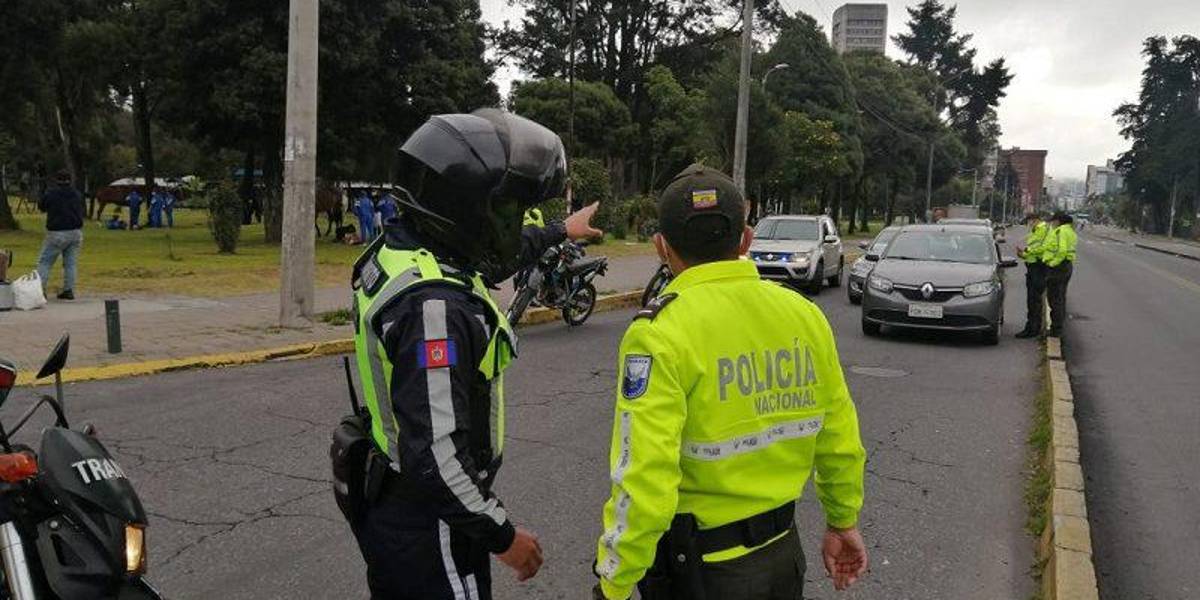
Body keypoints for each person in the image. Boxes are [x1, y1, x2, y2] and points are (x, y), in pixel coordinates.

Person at [347, 109, 601, 600]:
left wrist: (558, 231)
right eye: (502, 212)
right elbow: (435, 457)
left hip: (394, 508)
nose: (509, 225)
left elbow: (488, 256)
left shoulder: (404, 251)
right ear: (461, 212)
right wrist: (502, 537)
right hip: (431, 522)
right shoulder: (433, 309)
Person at [592, 164, 868, 600]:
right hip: (783, 557)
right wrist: (842, 520)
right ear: (745, 239)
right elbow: (839, 437)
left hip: (703, 573)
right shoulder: (804, 315)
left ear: (661, 247)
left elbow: (645, 474)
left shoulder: (658, 331)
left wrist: (615, 581)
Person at [36, 171, 86, 300]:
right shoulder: (76, 193)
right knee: (70, 263)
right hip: (76, 232)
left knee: (45, 262)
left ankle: (40, 290)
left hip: (57, 232)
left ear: (56, 179)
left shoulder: (52, 193)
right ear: (70, 179)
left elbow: (41, 206)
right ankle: (68, 290)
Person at [1015, 212, 1049, 338]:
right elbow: (1033, 250)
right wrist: (1023, 255)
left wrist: (1027, 250)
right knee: (1031, 299)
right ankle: (1031, 327)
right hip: (1032, 267)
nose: (1029, 224)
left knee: (1034, 300)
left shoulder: (1043, 230)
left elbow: (1043, 248)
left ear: (1035, 220)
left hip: (1039, 268)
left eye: (1029, 221)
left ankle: (1033, 329)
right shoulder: (1036, 230)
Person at [1042, 211, 1077, 338]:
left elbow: (1061, 250)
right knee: (1061, 297)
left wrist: (1052, 263)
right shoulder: (1071, 232)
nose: (1052, 223)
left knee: (1054, 299)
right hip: (1067, 266)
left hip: (1058, 268)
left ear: (1058, 221)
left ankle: (1056, 329)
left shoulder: (1061, 231)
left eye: (1053, 221)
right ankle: (1058, 326)